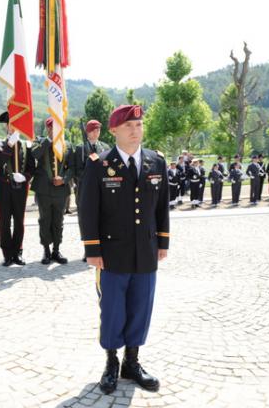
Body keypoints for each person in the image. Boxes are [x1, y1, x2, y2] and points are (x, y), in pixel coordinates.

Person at [78, 104, 169, 395]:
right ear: (114, 130)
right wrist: (92, 249)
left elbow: (161, 208)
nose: (135, 131)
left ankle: (133, 361)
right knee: (113, 309)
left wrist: (163, 242)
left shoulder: (156, 162)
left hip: (146, 250)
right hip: (112, 253)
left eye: (139, 125)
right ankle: (111, 362)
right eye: (129, 126)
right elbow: (88, 209)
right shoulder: (99, 164)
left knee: (141, 307)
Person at [0, 111, 35, 266]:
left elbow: (31, 167)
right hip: (4, 186)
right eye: (11, 124)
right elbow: (1, 158)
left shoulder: (26, 144)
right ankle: (7, 254)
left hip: (20, 188)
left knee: (19, 221)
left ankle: (18, 252)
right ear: (7, 126)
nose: (13, 127)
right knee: (4, 221)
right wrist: (9, 144)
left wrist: (25, 177)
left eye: (16, 124)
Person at [31, 117, 73, 265]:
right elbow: (35, 154)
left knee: (58, 221)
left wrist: (64, 179)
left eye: (56, 128)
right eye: (51, 128)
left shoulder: (67, 144)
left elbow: (72, 168)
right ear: (47, 129)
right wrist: (49, 140)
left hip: (61, 190)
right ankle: (46, 250)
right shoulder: (39, 142)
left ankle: (56, 249)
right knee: (45, 220)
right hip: (43, 190)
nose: (53, 130)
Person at [73, 119, 110, 208]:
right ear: (88, 132)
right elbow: (77, 170)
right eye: (93, 130)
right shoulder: (80, 148)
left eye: (98, 130)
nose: (96, 132)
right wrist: (90, 178)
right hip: (85, 187)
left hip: (101, 188)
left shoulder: (105, 147)